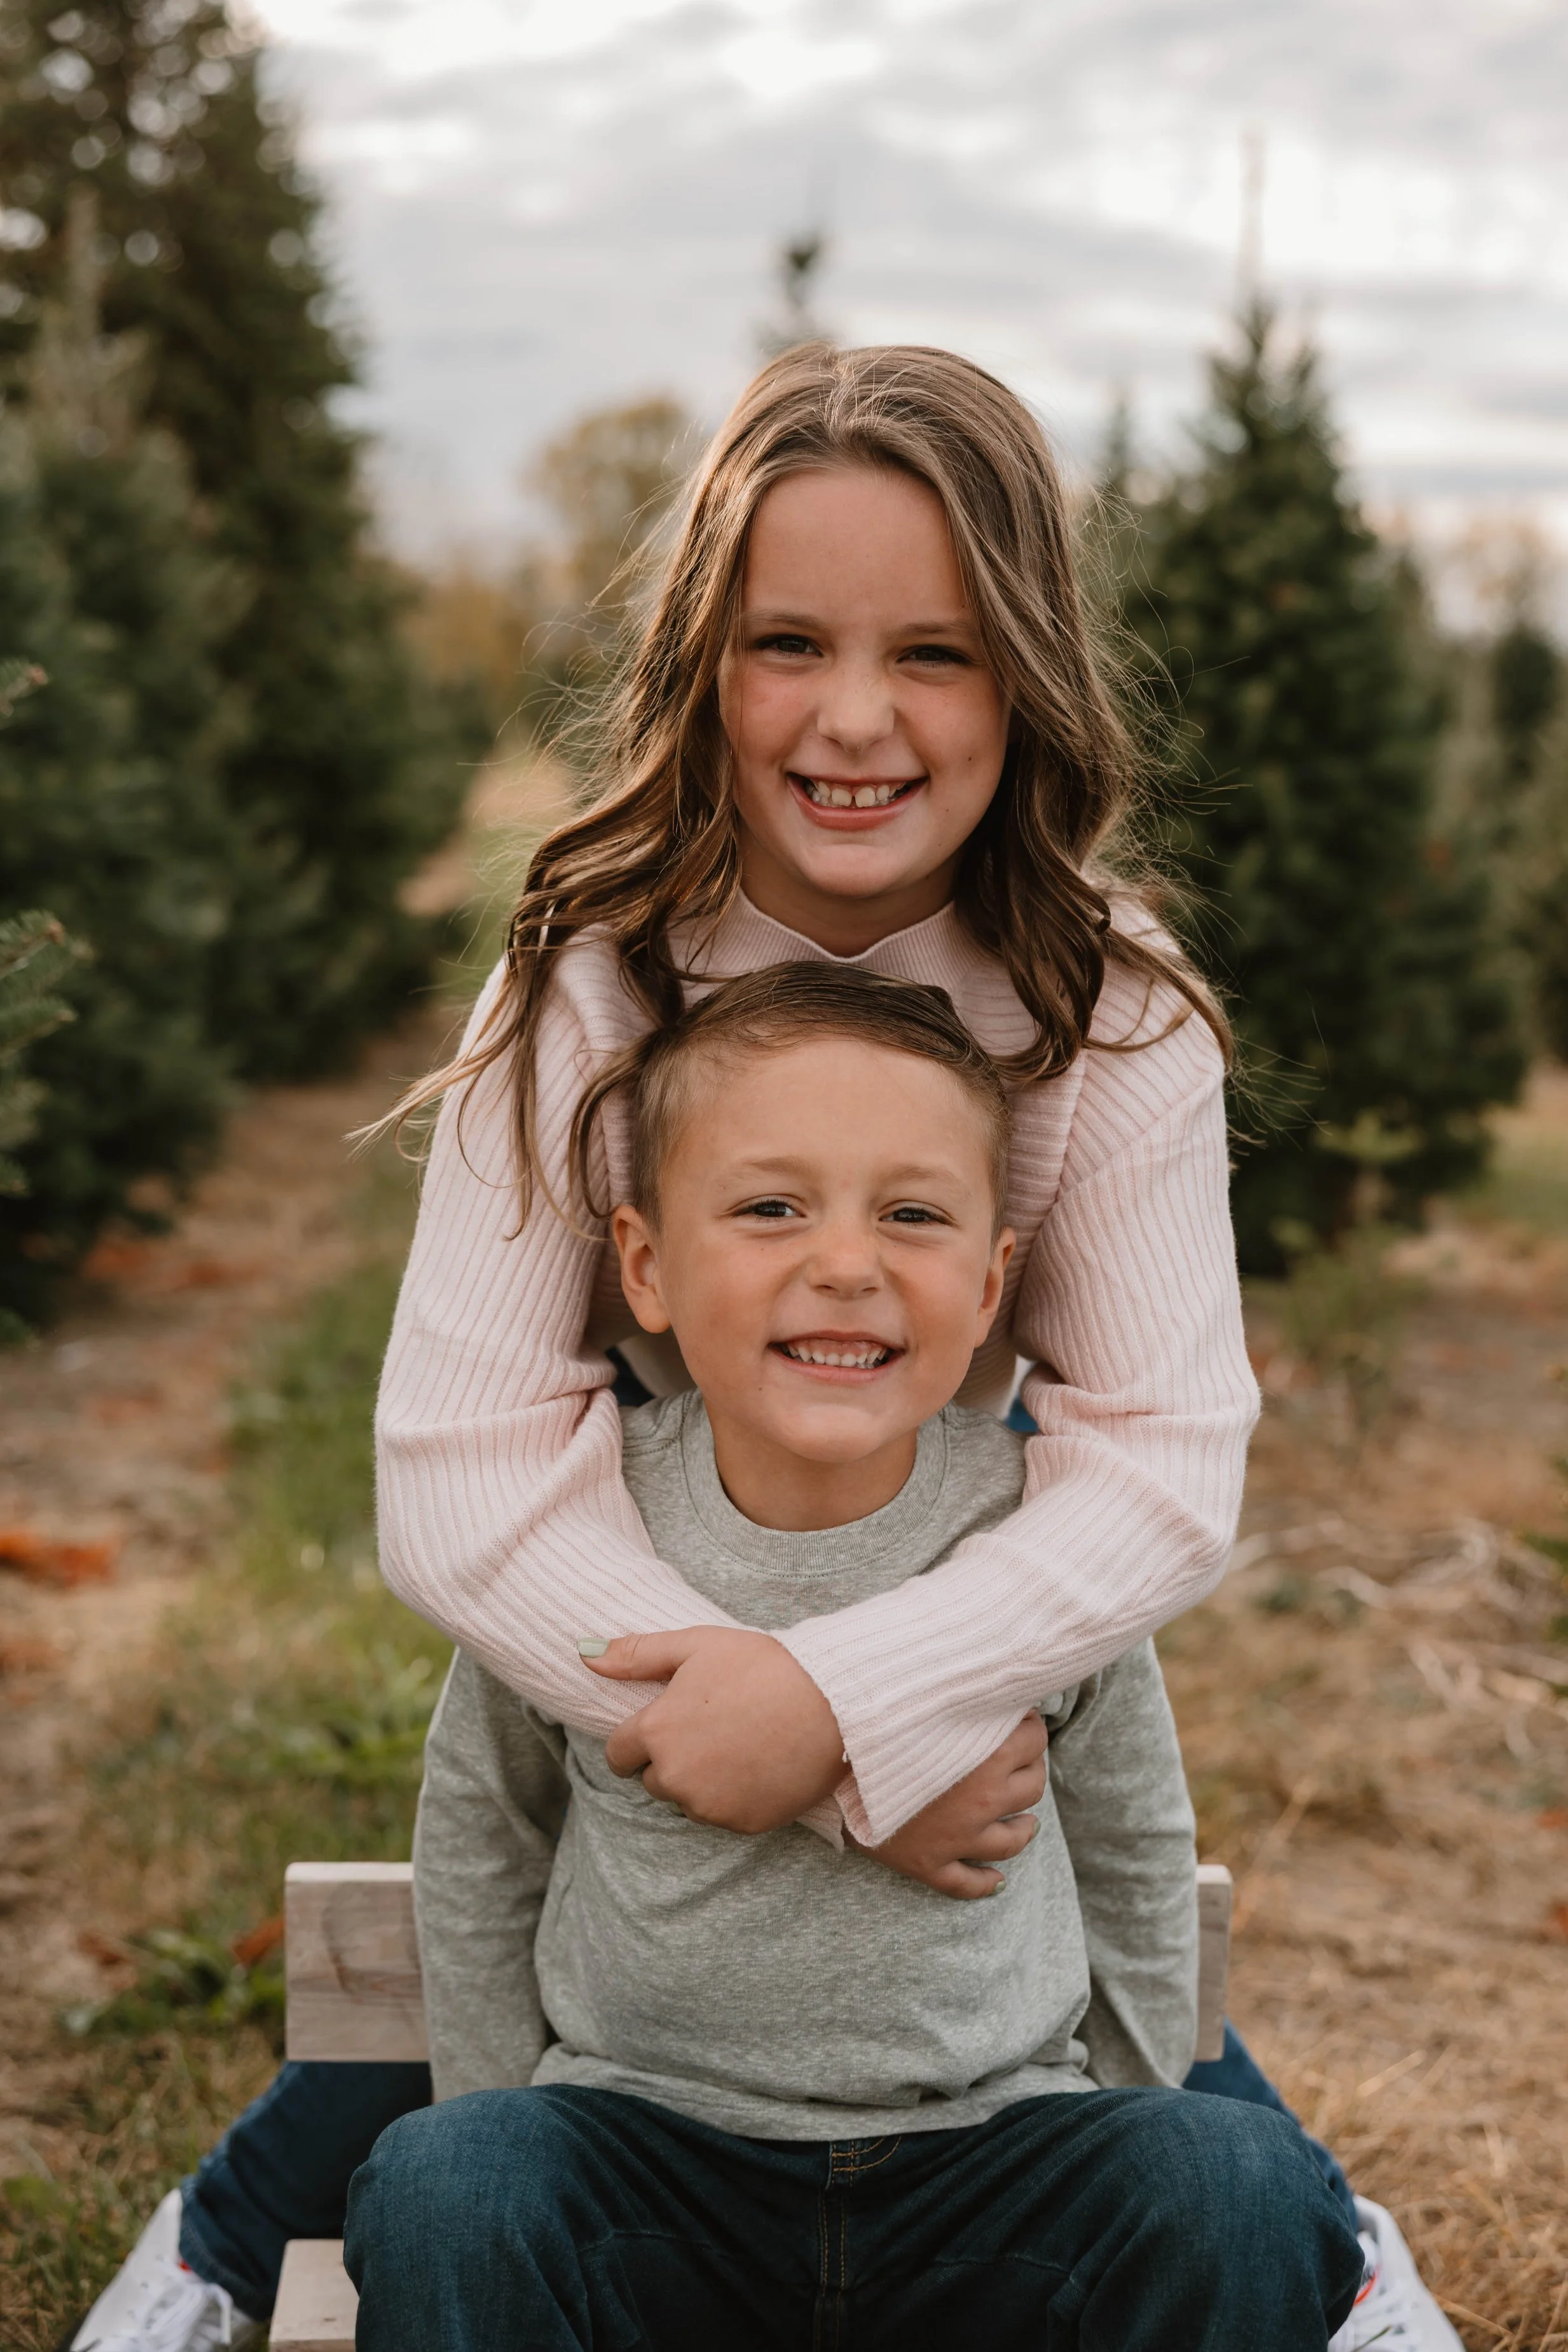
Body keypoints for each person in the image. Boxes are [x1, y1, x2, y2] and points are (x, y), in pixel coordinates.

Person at [65, 345, 1456, 2352]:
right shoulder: (584, 979)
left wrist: (858, 1702)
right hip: (638, 1610)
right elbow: (457, 1471)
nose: (857, 716)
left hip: (948, 1614)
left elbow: (1158, 1464)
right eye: (786, 640)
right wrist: (782, 1750)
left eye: (941, 653)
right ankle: (219, 2241)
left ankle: (1317, 2221)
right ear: (703, 665)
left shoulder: (1112, 1011)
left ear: (1031, 680)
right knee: (535, 1989)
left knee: (1085, 2039)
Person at [348, 961, 1364, 2349]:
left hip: (985, 2173)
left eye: (912, 1214)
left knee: (1243, 2183)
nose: (845, 1262)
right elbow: (486, 1836)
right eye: (769, 1207)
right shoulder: (579, 1525)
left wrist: (1123, 2124)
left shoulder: (1038, 1542)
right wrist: (495, 2116)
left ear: (995, 1275)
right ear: (642, 1264)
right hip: (654, 2166)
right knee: (442, 2186)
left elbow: (1130, 1852)